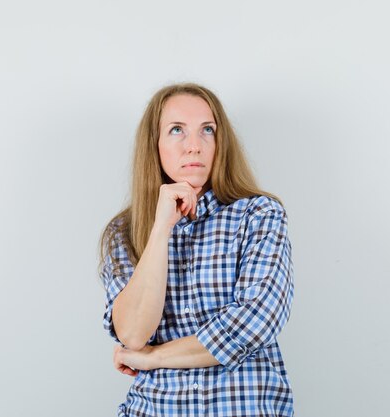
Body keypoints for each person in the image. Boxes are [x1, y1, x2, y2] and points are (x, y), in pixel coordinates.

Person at [99, 82, 294, 416]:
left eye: (207, 130)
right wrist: (161, 230)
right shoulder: (125, 233)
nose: (195, 146)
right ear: (155, 145)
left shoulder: (259, 214)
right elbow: (132, 334)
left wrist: (155, 357)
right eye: (177, 130)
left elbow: (256, 319)